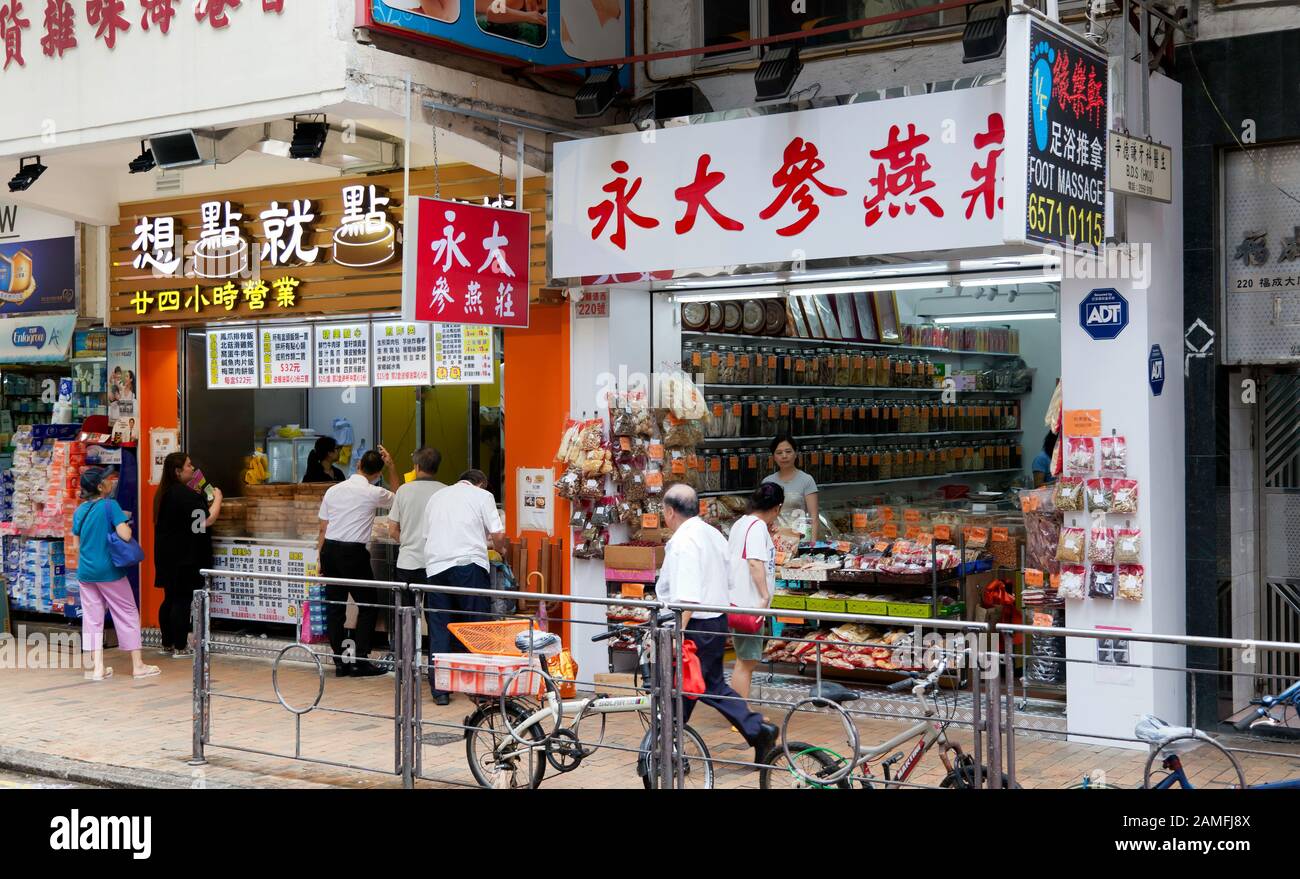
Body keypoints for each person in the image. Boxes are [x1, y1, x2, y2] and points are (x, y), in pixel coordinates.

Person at [659, 483, 777, 765]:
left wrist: (675, 635)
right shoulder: (711, 534)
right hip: (714, 621)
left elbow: (685, 598)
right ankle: (672, 747)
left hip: (694, 626)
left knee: (690, 685)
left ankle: (672, 748)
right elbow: (729, 580)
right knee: (694, 687)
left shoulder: (684, 542)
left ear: (670, 512)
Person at [422, 469, 507, 706]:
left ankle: (440, 691)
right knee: (476, 625)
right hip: (469, 566)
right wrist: (502, 551)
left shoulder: (437, 497)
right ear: (481, 483)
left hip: (437, 567)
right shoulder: (482, 496)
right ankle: (480, 689)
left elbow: (426, 536)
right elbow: (498, 534)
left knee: (440, 627)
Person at [317, 447, 399, 677]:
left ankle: (341, 663)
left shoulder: (333, 490)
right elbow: (400, 496)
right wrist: (392, 466)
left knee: (335, 608)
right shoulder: (374, 492)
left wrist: (319, 559)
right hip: (354, 554)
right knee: (368, 606)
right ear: (378, 474)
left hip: (330, 551)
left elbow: (323, 528)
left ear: (358, 465)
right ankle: (360, 661)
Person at [71, 467, 159, 681]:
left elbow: (76, 545)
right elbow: (126, 535)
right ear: (100, 487)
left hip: (86, 573)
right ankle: (138, 666)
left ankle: (98, 668)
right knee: (127, 612)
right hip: (110, 571)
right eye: (107, 480)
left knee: (92, 619)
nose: (111, 481)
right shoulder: (111, 506)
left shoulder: (80, 511)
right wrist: (125, 525)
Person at [154, 452, 223, 658]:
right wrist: (217, 499)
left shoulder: (164, 494)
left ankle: (167, 644)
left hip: (167, 557)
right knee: (182, 601)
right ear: (177, 471)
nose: (192, 469)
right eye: (188, 465)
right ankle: (180, 646)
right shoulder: (185, 496)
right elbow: (205, 522)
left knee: (170, 598)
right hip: (185, 558)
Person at [726, 482, 783, 699]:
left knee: (744, 659)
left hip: (737, 600)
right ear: (777, 508)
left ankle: (741, 711)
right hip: (750, 604)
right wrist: (764, 595)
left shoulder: (742, 523)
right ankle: (741, 713)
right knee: (746, 661)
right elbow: (754, 562)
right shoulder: (757, 527)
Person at [386, 447, 447, 644]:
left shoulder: (404, 490)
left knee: (407, 616)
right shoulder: (446, 491)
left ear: (417, 466)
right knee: (436, 617)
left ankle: (406, 665)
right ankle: (434, 664)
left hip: (407, 564)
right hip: (436, 565)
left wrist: (408, 542)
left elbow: (392, 529)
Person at [763, 435, 820, 543]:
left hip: (800, 540)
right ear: (774, 457)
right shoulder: (767, 482)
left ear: (795, 454)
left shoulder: (806, 480)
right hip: (774, 541)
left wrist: (812, 547)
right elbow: (763, 516)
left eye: (788, 451)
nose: (784, 456)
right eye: (779, 453)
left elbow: (814, 518)